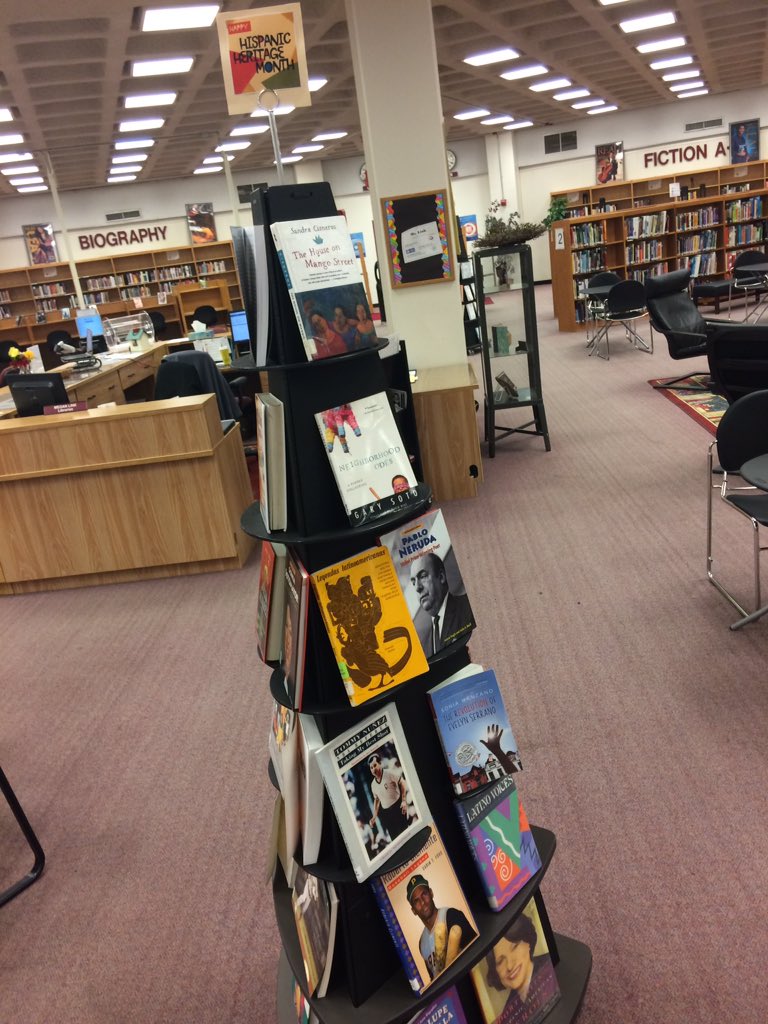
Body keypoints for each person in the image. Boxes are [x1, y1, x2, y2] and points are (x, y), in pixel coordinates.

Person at [406, 873, 477, 980]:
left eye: (424, 894)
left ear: (431, 893)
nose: (422, 902)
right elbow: (433, 977)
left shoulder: (452, 916)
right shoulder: (421, 943)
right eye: (416, 901)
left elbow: (477, 951)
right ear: (413, 911)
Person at [485, 913, 554, 1019]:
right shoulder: (507, 1017)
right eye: (500, 962)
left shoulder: (552, 965)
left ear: (528, 943)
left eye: (514, 947)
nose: (509, 965)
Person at [409, 551, 474, 655]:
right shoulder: (424, 647)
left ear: (441, 577)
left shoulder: (469, 606)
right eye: (413, 582)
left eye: (423, 576)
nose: (417, 587)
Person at [367, 752, 408, 840]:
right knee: (395, 839)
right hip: (387, 813)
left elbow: (402, 782)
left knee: (405, 834)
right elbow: (377, 800)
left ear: (380, 764)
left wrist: (404, 800)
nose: (373, 769)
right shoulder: (373, 785)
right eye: (371, 767)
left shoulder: (389, 773)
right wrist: (374, 816)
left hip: (398, 807)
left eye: (375, 765)